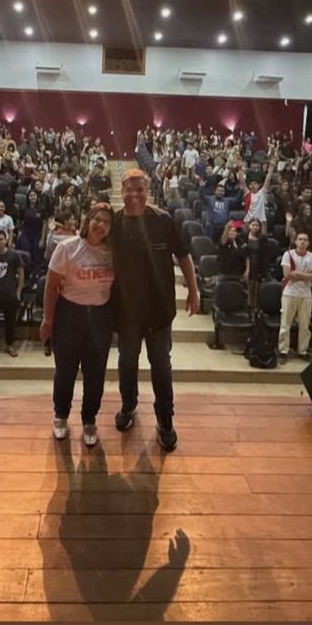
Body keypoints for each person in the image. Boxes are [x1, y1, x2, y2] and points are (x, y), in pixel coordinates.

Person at [110, 167, 200, 452]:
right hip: (127, 313)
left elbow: (183, 256)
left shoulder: (163, 219)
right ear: (121, 191)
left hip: (160, 310)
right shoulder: (113, 223)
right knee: (127, 362)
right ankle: (128, 404)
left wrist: (194, 291)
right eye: (129, 189)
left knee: (161, 366)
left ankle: (165, 420)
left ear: (148, 192)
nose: (134, 194)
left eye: (140, 189)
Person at [39, 203, 116, 447]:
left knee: (95, 373)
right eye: (96, 219)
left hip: (101, 317)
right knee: (65, 371)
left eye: (106, 221)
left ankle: (89, 419)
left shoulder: (112, 252)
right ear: (87, 220)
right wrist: (48, 320)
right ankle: (60, 415)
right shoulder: (67, 248)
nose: (100, 224)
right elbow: (51, 287)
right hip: (69, 316)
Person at [278, 232, 312, 364]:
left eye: (305, 240)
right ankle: (283, 351)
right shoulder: (288, 255)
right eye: (300, 239)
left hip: (306, 294)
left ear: (308, 243)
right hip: (289, 292)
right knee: (285, 323)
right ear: (295, 242)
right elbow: (287, 274)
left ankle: (302, 350)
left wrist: (297, 274)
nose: (302, 242)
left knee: (305, 324)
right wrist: (305, 275)